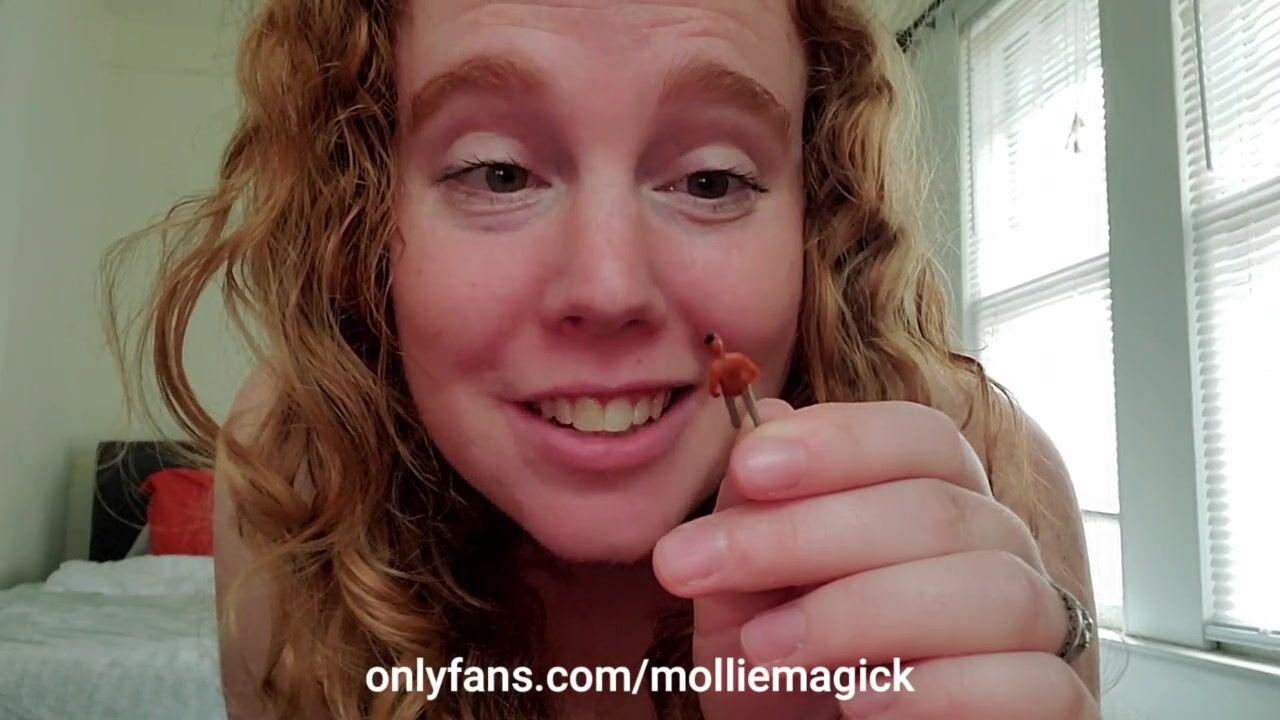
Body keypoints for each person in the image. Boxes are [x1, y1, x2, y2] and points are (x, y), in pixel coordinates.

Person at [108, 0, 1101, 718]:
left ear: (818, 215)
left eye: (710, 181)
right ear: (363, 218)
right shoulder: (295, 465)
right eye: (499, 173)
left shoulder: (988, 473)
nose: (609, 285)